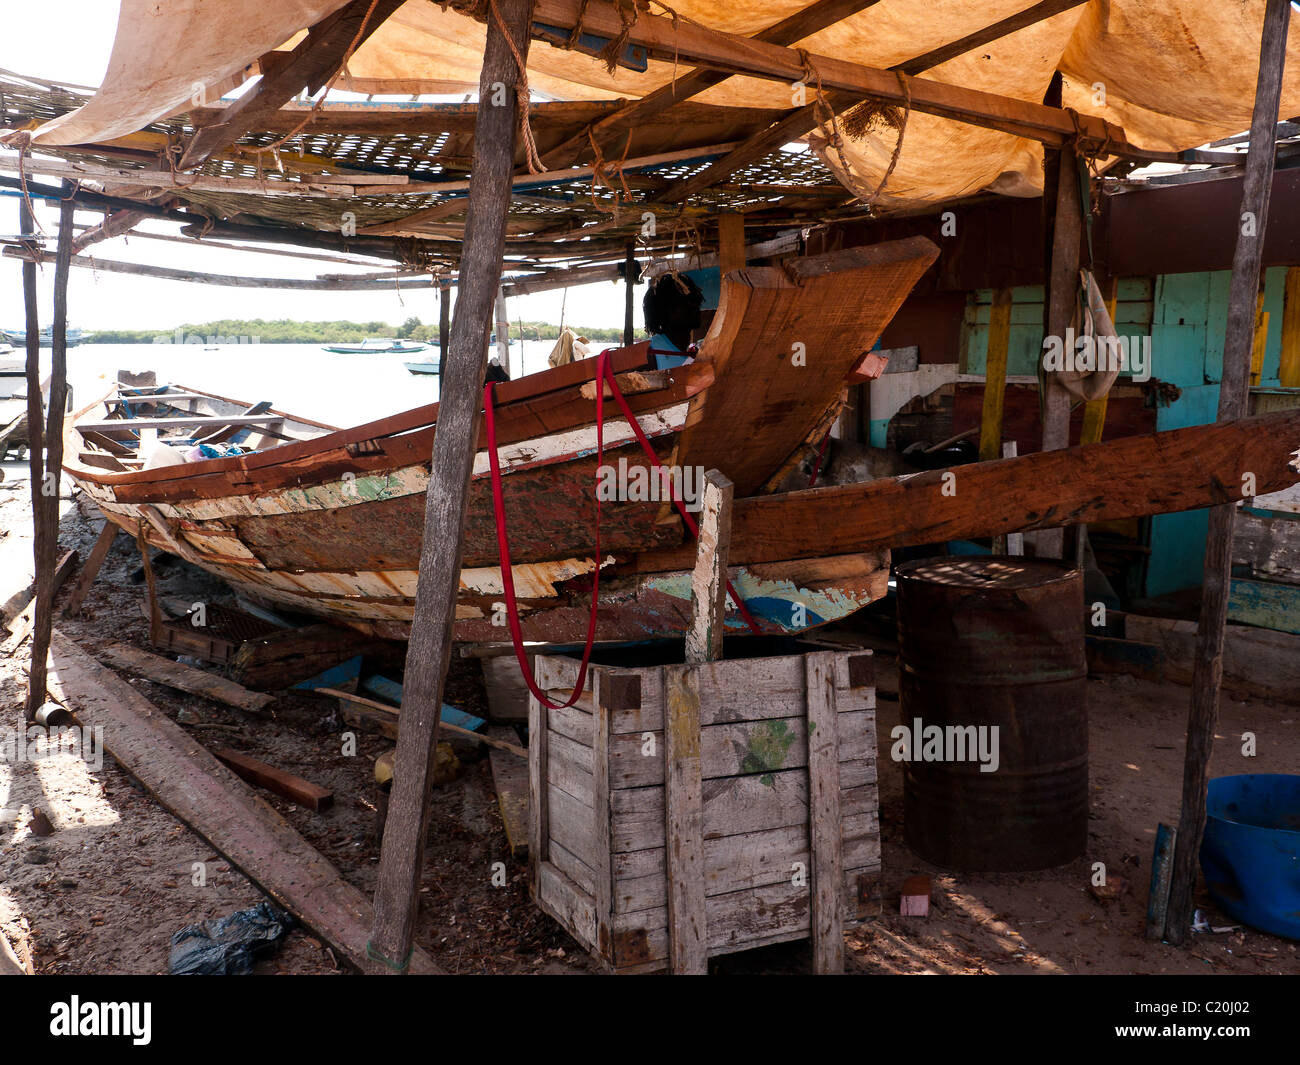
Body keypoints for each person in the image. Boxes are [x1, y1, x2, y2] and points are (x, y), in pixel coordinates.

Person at [643, 273, 703, 370]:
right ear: (666, 310)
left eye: (695, 300)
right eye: (687, 302)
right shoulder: (650, 354)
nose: (695, 306)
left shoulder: (696, 351)